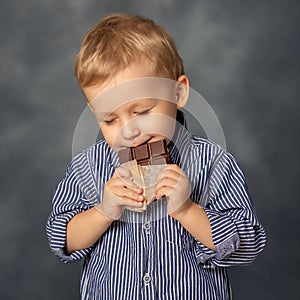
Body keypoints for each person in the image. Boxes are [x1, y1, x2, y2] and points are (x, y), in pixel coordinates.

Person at [46, 13, 266, 299]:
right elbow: (60, 239)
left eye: (142, 112)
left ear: (178, 93)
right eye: (110, 120)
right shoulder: (88, 167)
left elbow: (247, 245)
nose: (129, 131)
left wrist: (188, 211)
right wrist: (103, 212)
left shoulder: (214, 164)